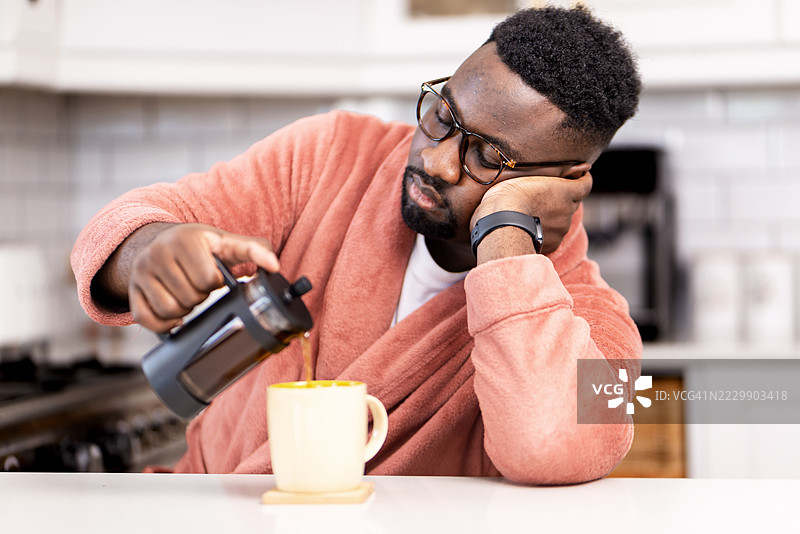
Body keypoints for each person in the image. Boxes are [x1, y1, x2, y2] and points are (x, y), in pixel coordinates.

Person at [71, 6, 643, 484]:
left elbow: (549, 446)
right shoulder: (331, 154)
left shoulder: (594, 321)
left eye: (489, 157)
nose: (437, 160)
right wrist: (149, 251)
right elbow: (130, 223)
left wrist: (508, 236)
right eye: (443, 114)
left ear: (566, 180)